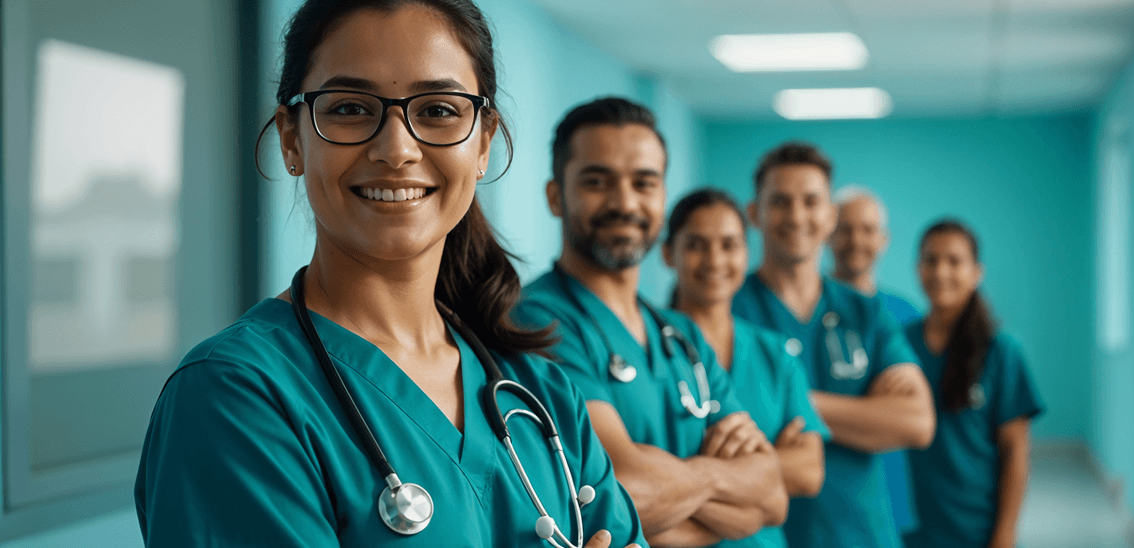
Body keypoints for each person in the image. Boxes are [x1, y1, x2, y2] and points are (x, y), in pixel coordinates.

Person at [134, 2, 645, 546]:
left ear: (483, 142)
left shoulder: (540, 392)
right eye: (350, 108)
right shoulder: (233, 396)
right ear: (291, 139)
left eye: (439, 111)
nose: (396, 149)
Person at [514, 98, 789, 547]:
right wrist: (724, 482)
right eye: (597, 181)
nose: (624, 203)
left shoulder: (682, 335)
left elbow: (772, 496)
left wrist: (684, 490)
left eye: (644, 183)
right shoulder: (536, 322)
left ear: (662, 198)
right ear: (554, 196)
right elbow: (617, 496)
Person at [731, 141, 936, 548]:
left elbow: (916, 422)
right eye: (780, 202)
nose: (797, 216)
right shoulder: (727, 311)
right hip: (763, 535)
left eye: (811, 201)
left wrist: (786, 402)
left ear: (830, 215)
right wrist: (866, 414)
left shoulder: (866, 313)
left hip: (864, 532)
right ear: (754, 213)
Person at [662, 188, 829, 548]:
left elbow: (809, 471)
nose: (714, 259)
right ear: (667, 253)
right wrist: (757, 469)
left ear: (746, 253)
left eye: (729, 244)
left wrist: (688, 471)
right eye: (695, 244)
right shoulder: (647, 349)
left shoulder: (776, 353)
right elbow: (636, 481)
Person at [903, 219, 1044, 548]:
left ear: (977, 272)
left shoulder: (1002, 351)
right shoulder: (900, 345)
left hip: (977, 531)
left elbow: (1015, 451)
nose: (941, 272)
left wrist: (1004, 535)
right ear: (917, 269)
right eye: (930, 260)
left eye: (954, 261)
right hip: (913, 531)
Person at [830, 185, 923, 536]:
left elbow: (914, 412)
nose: (856, 240)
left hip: (896, 495)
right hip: (829, 496)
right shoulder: (808, 312)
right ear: (827, 233)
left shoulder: (906, 315)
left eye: (868, 230)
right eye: (845, 228)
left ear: (884, 239)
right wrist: (876, 409)